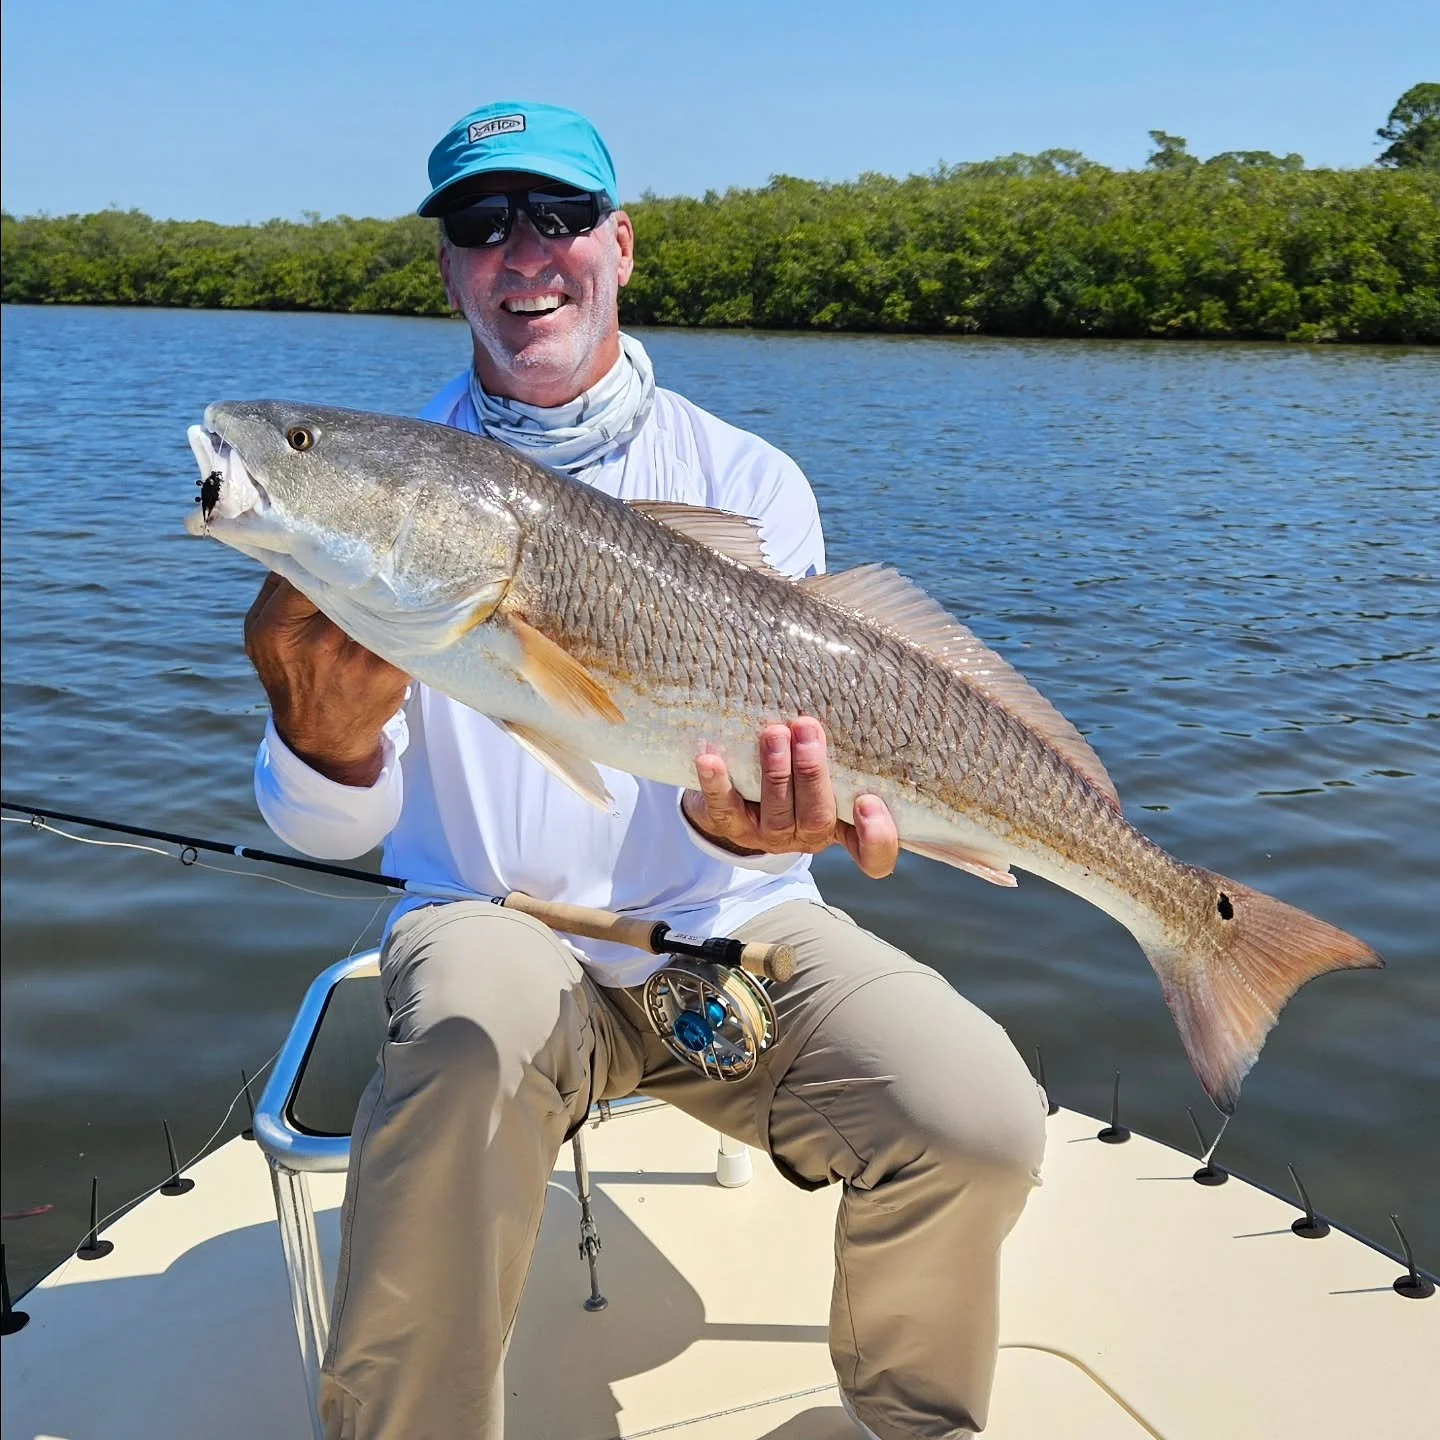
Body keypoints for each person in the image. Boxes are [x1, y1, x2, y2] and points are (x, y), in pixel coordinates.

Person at [245, 100, 1046, 1440]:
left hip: (742, 924)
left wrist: (748, 833)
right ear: (449, 267)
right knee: (462, 1051)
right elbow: (326, 832)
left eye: (558, 216)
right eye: (480, 224)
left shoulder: (747, 480)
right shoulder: (389, 486)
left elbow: (774, 788)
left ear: (618, 245)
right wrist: (318, 736)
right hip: (491, 923)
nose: (522, 252)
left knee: (977, 1114)